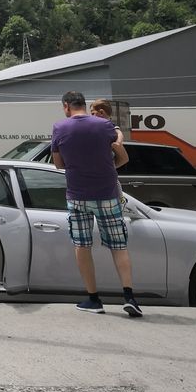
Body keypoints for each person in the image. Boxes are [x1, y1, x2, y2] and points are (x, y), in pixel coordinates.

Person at [51, 90, 142, 318]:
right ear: (84, 104)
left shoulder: (60, 128)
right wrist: (107, 169)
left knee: (82, 246)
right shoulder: (104, 126)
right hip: (107, 194)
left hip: (78, 196)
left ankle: (94, 299)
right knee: (118, 246)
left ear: (66, 106)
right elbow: (123, 158)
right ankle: (129, 297)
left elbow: (58, 164)